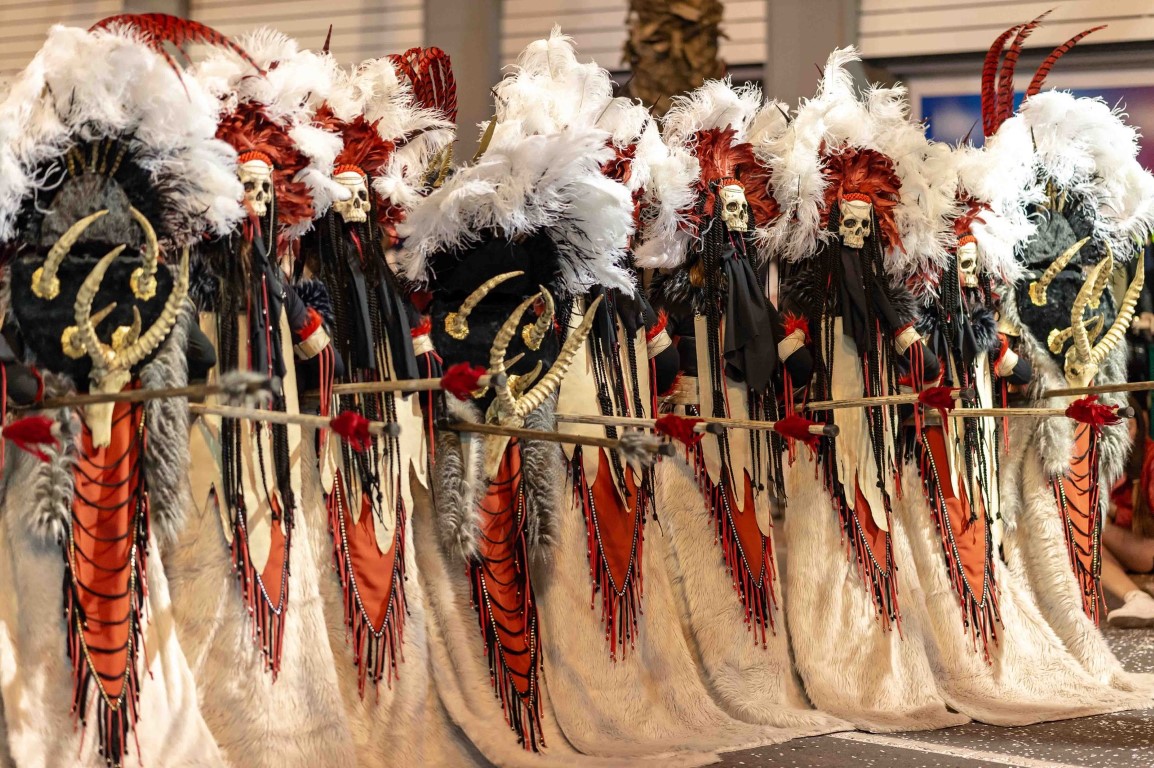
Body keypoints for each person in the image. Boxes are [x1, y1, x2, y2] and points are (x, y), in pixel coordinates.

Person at [1103, 400, 1154, 627]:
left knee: (1090, 529)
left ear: (1139, 426)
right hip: (1132, 548)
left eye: (1128, 427)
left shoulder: (1151, 456)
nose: (1122, 435)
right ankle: (1137, 598)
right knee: (1087, 545)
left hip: (1148, 548)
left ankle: (1140, 600)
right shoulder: (1111, 459)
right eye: (1116, 428)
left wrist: (1114, 511)